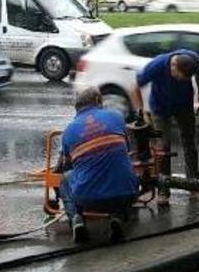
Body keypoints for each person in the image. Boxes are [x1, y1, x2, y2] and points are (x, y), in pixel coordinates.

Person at [58, 87, 139, 244]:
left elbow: (66, 164)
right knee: (122, 172)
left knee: (65, 179)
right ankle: (117, 218)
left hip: (88, 199)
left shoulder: (69, 131)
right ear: (97, 101)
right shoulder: (116, 117)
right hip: (127, 195)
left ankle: (76, 220)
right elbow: (127, 150)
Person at [131, 49, 199, 205]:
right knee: (163, 148)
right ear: (173, 65)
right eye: (179, 77)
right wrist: (142, 110)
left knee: (190, 142)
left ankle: (194, 186)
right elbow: (135, 87)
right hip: (160, 107)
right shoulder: (157, 65)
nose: (181, 80)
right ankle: (164, 190)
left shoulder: (193, 59)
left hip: (184, 104)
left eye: (185, 79)